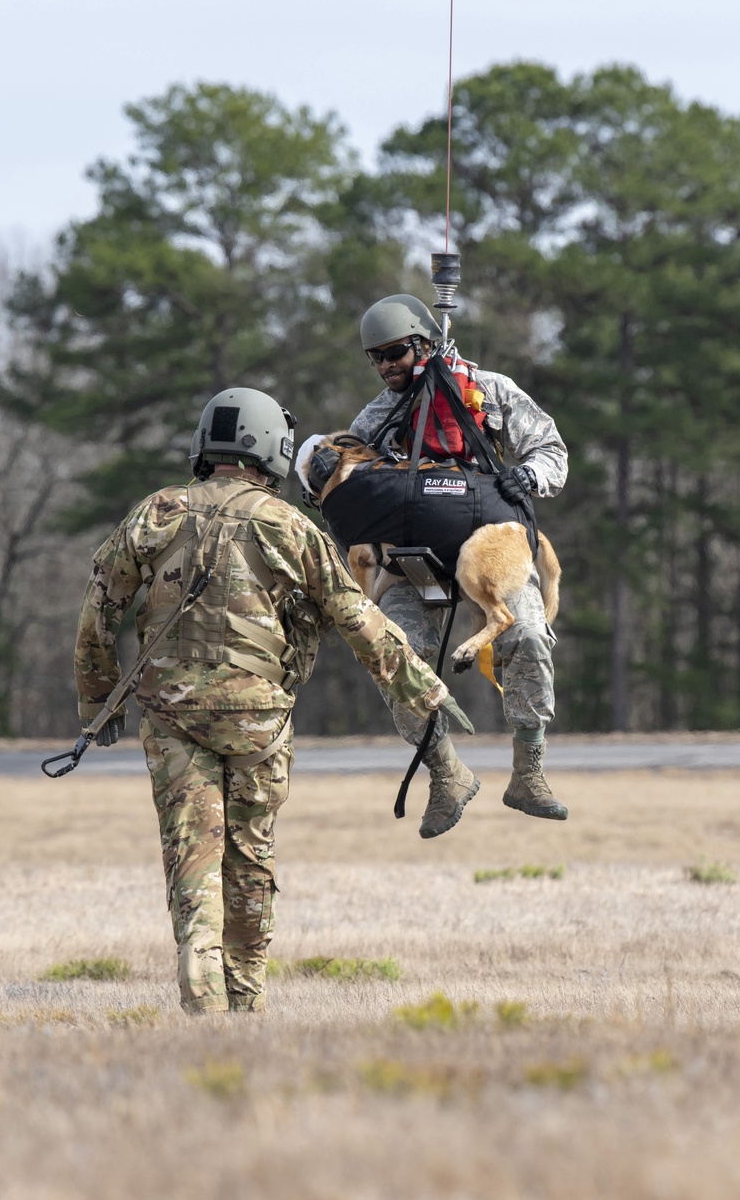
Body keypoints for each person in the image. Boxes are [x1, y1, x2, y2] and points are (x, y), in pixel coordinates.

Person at [74, 387, 469, 1015]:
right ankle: (247, 1004)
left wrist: (99, 704)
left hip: (172, 718)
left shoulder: (154, 513)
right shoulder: (290, 525)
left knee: (191, 856)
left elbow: (99, 612)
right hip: (258, 718)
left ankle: (202, 1005)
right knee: (250, 854)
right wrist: (424, 691)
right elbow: (357, 617)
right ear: (271, 449)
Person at [348, 294, 569, 839]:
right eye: (375, 358)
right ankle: (446, 772)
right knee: (394, 654)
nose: (385, 366)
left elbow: (552, 452)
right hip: (413, 559)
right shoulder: (379, 416)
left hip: (490, 546)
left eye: (395, 353)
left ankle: (529, 770)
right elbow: (346, 472)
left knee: (531, 637)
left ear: (424, 345)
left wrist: (527, 477)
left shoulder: (488, 393)